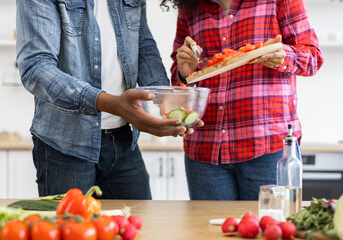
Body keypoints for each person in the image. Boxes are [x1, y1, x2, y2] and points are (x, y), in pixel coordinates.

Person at [16, 0, 201, 199]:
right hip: (65, 144)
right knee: (72, 228)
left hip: (122, 139)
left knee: (138, 226)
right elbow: (36, 67)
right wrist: (112, 104)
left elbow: (143, 46)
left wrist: (165, 97)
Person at [161, 0, 324, 200]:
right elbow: (179, 77)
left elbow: (313, 57)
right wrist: (184, 74)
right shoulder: (190, 6)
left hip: (267, 149)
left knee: (271, 228)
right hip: (205, 151)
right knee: (207, 231)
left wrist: (284, 56)